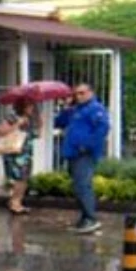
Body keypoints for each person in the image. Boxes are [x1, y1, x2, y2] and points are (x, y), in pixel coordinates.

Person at [55, 82, 110, 234]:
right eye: (76, 94)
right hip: (72, 152)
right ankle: (85, 217)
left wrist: (87, 146)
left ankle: (91, 218)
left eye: (82, 93)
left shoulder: (95, 109)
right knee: (78, 186)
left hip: (84, 153)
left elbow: (102, 129)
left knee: (83, 185)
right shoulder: (76, 110)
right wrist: (66, 108)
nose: (78, 96)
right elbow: (59, 122)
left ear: (91, 92)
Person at [0, 98, 40, 215]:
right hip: (14, 153)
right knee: (18, 178)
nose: (31, 108)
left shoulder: (30, 119)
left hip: (26, 153)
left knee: (24, 178)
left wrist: (39, 123)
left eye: (32, 106)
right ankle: (14, 202)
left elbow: (36, 135)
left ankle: (17, 202)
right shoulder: (13, 117)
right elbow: (1, 131)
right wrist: (17, 124)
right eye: (29, 106)